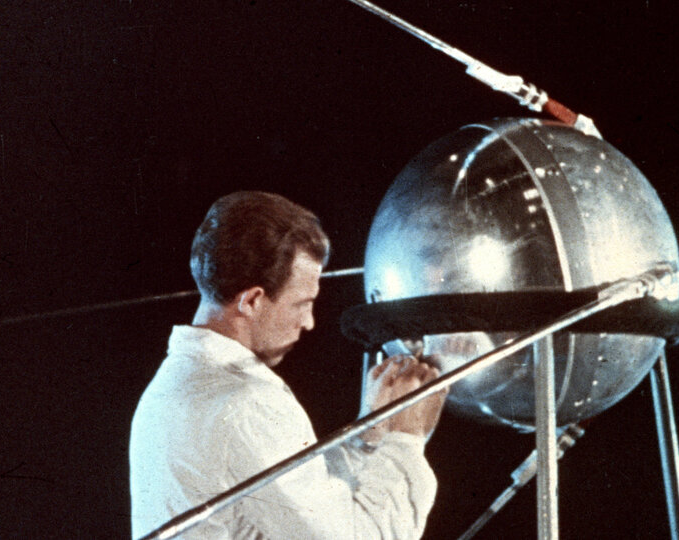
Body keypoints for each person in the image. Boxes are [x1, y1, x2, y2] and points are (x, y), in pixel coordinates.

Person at [129, 191, 446, 539]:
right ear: (252, 301)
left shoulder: (177, 382)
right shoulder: (246, 405)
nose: (309, 322)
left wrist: (368, 437)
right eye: (302, 304)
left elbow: (299, 500)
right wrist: (406, 440)